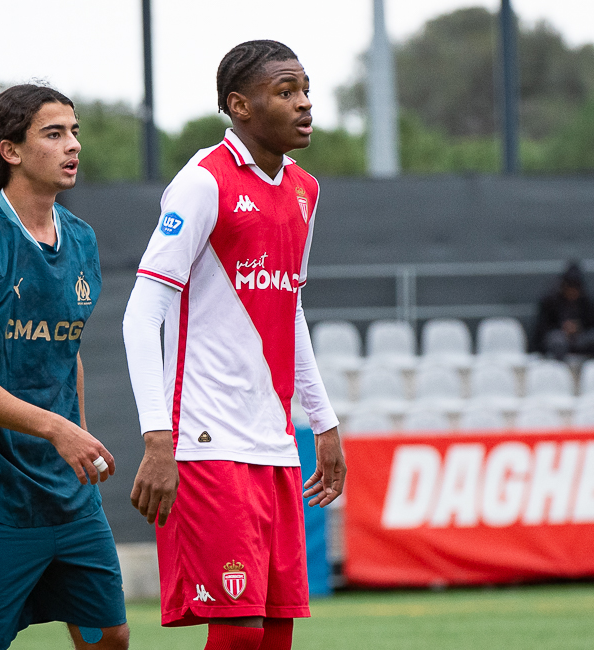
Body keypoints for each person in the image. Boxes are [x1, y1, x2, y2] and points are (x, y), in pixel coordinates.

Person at [122, 41, 345, 650]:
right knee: (240, 632)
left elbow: (288, 307)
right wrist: (157, 438)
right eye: (285, 92)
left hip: (273, 441)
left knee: (275, 632)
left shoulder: (304, 190)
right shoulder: (202, 183)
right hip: (204, 439)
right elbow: (142, 314)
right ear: (239, 106)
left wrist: (322, 422)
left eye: (304, 89)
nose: (303, 104)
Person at [0, 85, 128, 650]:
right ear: (10, 151)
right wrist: (55, 428)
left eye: (76, 131)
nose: (73, 146)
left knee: (108, 636)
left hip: (67, 494)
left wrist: (76, 437)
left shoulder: (81, 239)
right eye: (54, 133)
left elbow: (68, 352)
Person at [534, 262, 594, 361]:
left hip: (581, 338)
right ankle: (560, 372)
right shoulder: (550, 301)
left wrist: (578, 327)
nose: (572, 293)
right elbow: (542, 329)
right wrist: (563, 328)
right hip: (558, 338)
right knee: (557, 340)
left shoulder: (586, 301)